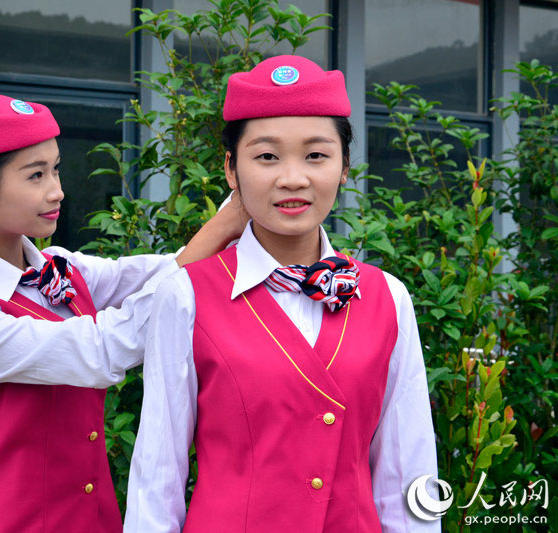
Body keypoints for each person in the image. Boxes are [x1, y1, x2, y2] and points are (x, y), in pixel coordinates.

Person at [124, 55, 439, 532]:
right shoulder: (185, 296)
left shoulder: (387, 298)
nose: (293, 178)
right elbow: (158, 475)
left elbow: (409, 468)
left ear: (345, 168)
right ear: (231, 170)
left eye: (316, 155)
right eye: (267, 156)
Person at [0, 93, 246, 532]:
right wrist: (227, 221)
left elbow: (169, 270)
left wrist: (246, 199)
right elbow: (103, 350)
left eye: (55, 169)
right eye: (35, 175)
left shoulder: (63, 268)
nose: (57, 190)